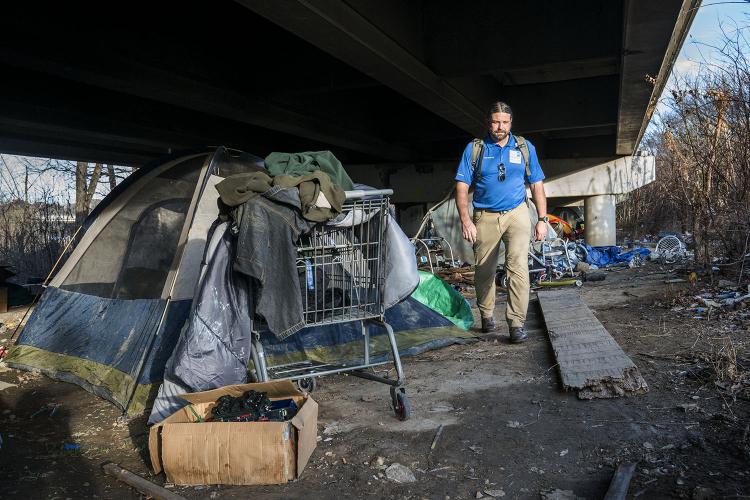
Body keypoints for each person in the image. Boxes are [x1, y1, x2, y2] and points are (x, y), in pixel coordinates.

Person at [454, 101, 548, 343]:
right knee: (484, 270)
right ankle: (486, 315)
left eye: (505, 122)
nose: (500, 127)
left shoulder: (525, 148)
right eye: (496, 122)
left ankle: (516, 323)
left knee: (518, 266)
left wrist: (542, 219)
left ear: (511, 123)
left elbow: (537, 184)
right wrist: (466, 221)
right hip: (485, 216)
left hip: (517, 213)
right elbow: (462, 187)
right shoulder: (475, 149)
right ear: (489, 122)